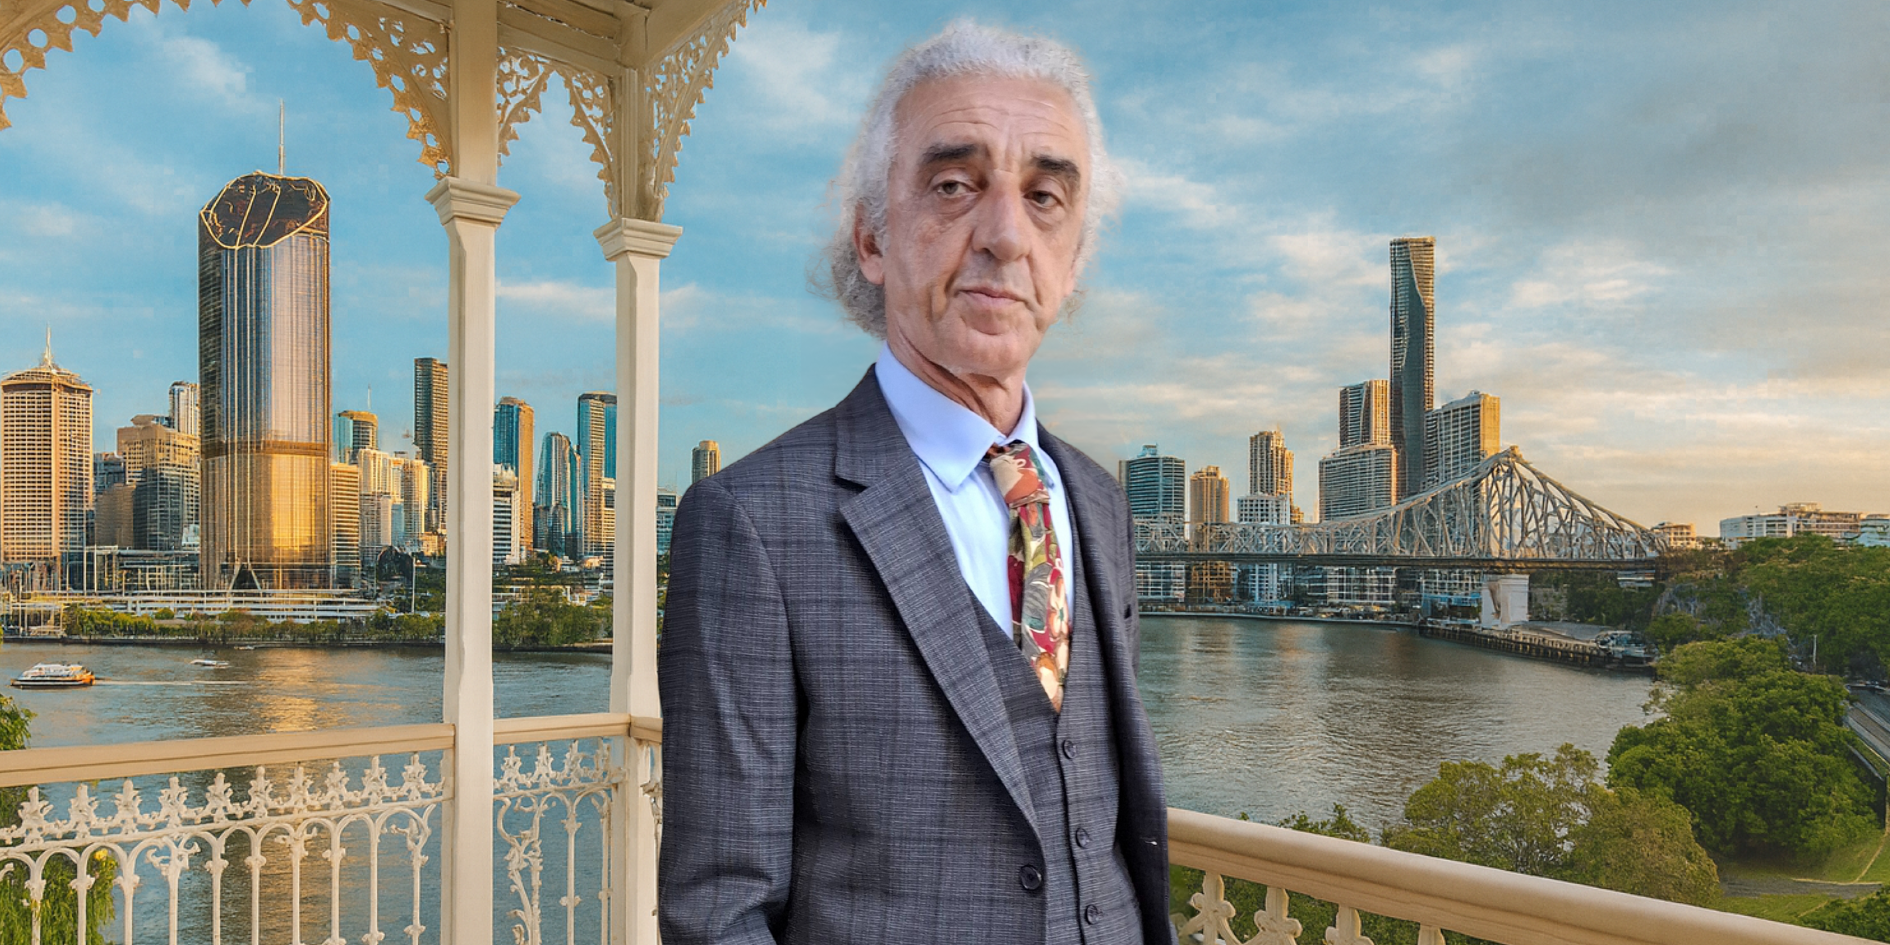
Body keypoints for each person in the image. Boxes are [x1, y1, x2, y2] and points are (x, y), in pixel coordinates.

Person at [659, 20, 1173, 945]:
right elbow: (719, 914)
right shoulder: (750, 522)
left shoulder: (1099, 502)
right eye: (953, 185)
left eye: (1045, 196)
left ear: (1073, 260)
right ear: (872, 237)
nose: (1006, 235)